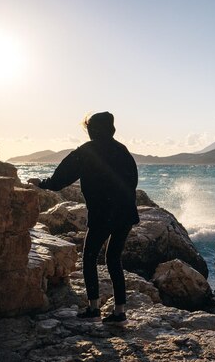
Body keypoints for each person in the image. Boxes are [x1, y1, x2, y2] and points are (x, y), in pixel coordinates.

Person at [28, 111, 139, 325]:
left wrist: (40, 183)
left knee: (89, 256)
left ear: (92, 129)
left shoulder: (87, 151)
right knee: (114, 259)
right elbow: (132, 180)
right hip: (125, 212)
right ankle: (119, 312)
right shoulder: (122, 151)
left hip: (103, 213)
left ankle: (93, 308)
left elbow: (61, 179)